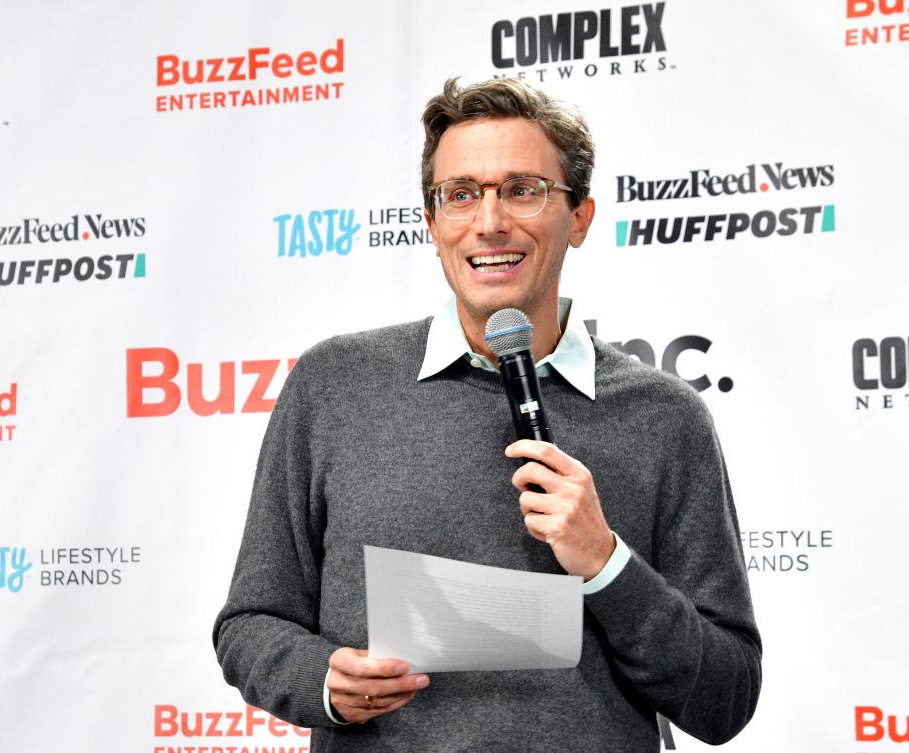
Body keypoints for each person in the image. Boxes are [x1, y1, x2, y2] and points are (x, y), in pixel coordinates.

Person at [214, 77, 761, 752]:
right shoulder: (333, 386)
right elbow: (252, 621)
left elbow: (726, 695)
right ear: (432, 222)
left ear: (580, 216)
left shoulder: (665, 418)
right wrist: (321, 681)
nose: (490, 221)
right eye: (462, 194)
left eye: (523, 189)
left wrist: (606, 562)